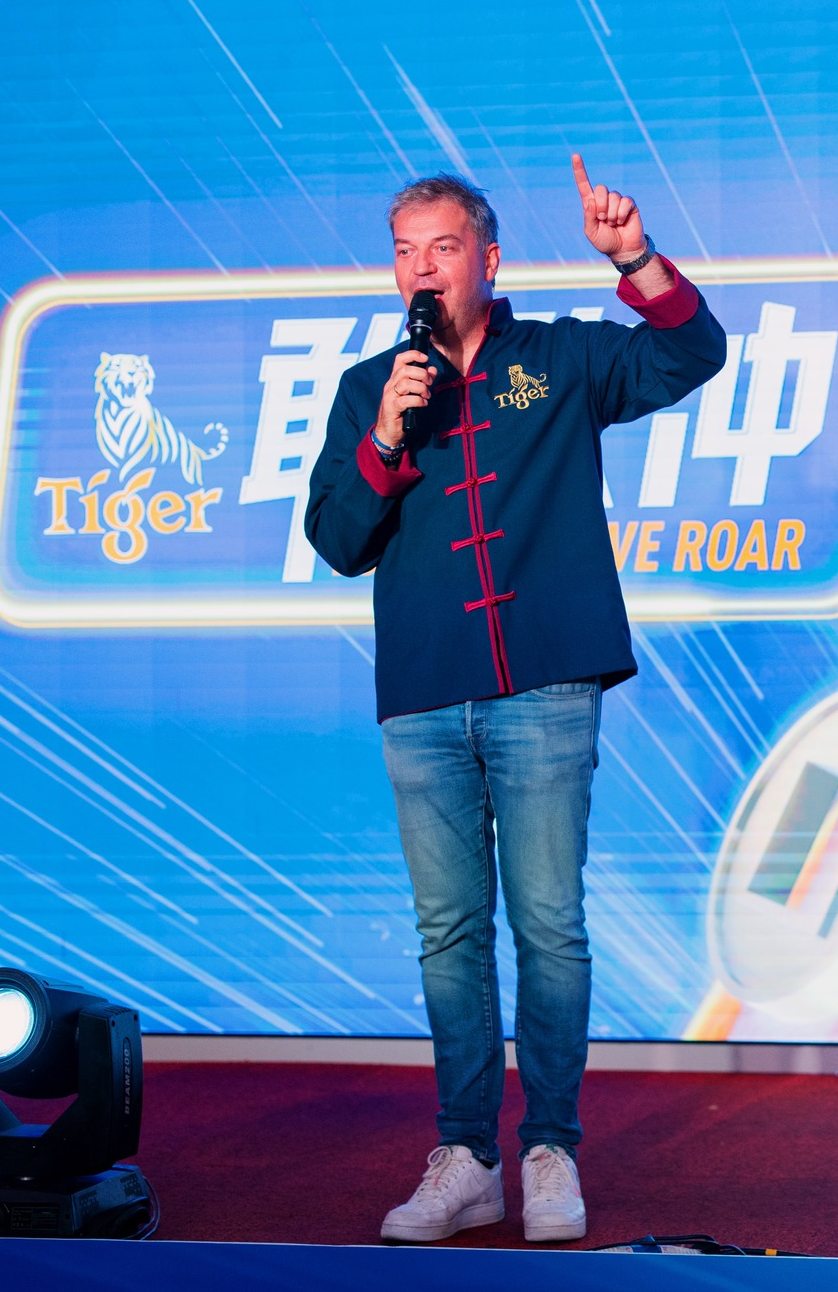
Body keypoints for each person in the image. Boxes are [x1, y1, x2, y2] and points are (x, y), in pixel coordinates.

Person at [305, 164, 725, 1243]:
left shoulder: (562, 355)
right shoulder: (371, 387)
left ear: (488, 260)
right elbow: (338, 540)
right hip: (425, 693)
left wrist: (633, 258)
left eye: (440, 248)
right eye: (403, 251)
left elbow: (692, 351)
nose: (419, 270)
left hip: (544, 679)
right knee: (447, 935)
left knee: (549, 926)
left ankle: (549, 1150)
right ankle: (463, 1157)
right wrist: (389, 437)